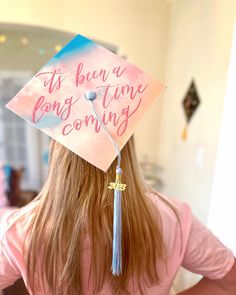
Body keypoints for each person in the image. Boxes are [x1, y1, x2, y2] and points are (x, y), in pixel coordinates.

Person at [0, 137, 236, 295]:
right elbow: (230, 281)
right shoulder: (173, 217)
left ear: (56, 147)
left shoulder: (21, 228)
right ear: (127, 147)